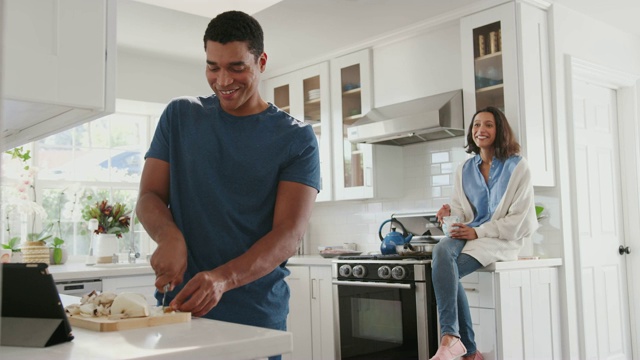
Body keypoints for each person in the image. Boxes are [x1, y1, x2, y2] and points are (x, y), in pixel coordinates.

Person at [135, 10, 320, 359]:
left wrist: (223, 278)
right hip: (179, 310)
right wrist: (169, 236)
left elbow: (289, 233)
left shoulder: (296, 138)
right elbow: (148, 196)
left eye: (236, 67)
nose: (223, 80)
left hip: (254, 315)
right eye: (212, 67)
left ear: (261, 61)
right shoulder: (179, 116)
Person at [430, 106, 538, 360]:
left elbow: (519, 220)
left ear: (499, 129)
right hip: (470, 235)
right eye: (477, 125)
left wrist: (478, 232)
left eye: (488, 124)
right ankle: (454, 340)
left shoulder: (518, 167)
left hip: (500, 240)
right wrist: (449, 214)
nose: (481, 130)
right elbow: (462, 211)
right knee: (441, 250)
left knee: (447, 271)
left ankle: (461, 345)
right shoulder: (464, 169)